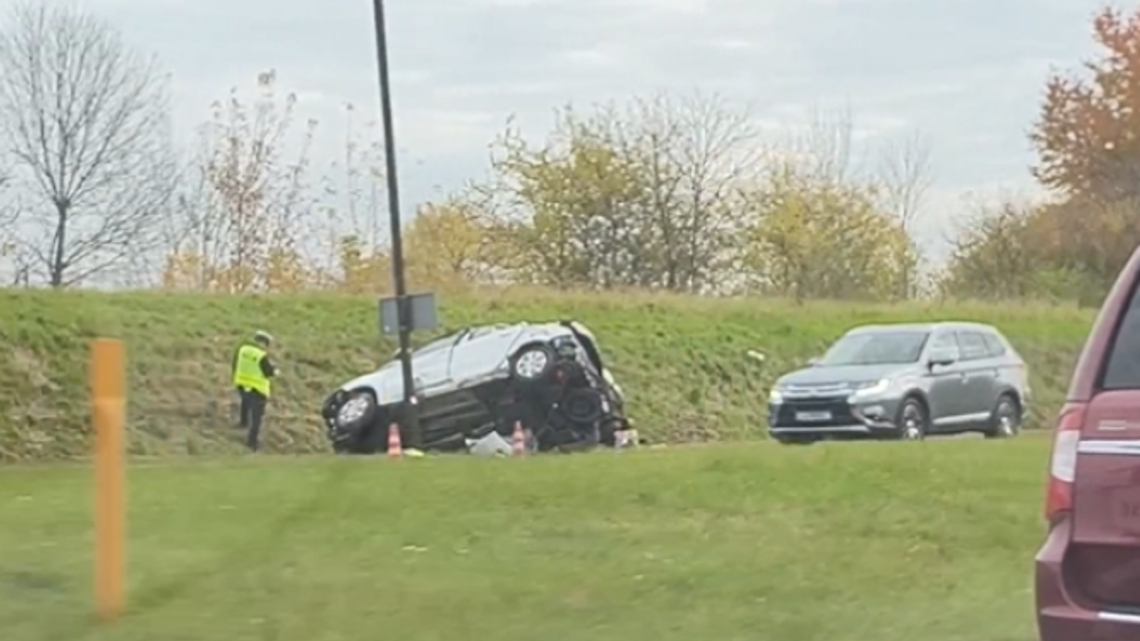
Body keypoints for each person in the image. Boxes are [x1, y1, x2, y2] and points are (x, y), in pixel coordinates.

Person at [231, 330, 278, 452]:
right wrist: (275, 371)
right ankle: (252, 442)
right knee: (257, 417)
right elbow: (268, 372)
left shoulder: (243, 349)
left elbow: (235, 363)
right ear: (263, 342)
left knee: (245, 403)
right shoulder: (261, 355)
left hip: (242, 383)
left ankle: (243, 423)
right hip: (257, 388)